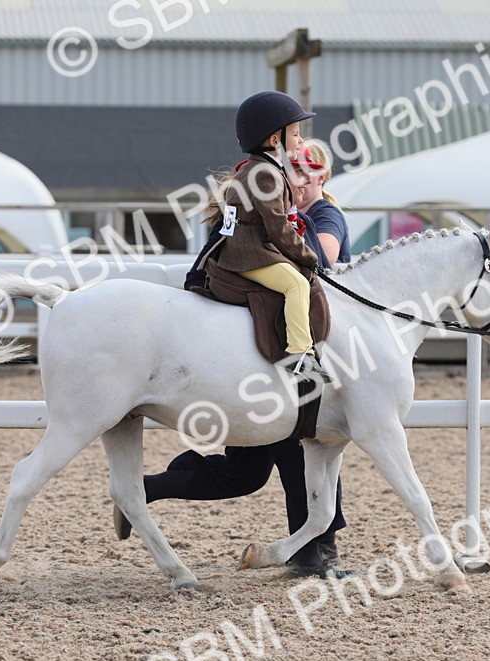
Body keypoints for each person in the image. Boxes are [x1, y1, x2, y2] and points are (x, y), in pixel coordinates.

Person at [114, 145, 353, 577]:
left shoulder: (324, 215)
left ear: (323, 179)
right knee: (272, 464)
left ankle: (148, 489)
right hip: (267, 356)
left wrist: (282, 223)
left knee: (257, 469)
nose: (299, 182)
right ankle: (315, 550)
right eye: (293, 173)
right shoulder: (267, 208)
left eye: (308, 175)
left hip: (285, 348)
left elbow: (325, 260)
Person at [211, 90, 327, 380]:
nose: (301, 141)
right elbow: (278, 228)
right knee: (296, 285)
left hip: (247, 247)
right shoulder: (265, 174)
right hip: (248, 253)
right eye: (297, 134)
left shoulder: (262, 169)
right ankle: (300, 355)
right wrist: (309, 256)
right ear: (276, 140)